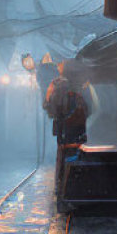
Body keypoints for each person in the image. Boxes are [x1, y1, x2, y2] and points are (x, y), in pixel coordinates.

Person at [43, 62, 88, 194]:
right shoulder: (77, 88)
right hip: (75, 128)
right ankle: (69, 186)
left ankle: (61, 185)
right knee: (73, 155)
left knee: (63, 155)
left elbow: (48, 107)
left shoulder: (56, 85)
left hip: (64, 128)